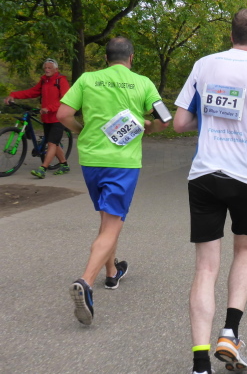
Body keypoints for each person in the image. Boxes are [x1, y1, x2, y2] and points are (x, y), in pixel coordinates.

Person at [173, 9, 247, 374]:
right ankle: (229, 333)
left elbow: (180, 122)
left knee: (205, 267)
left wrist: (210, 118)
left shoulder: (204, 65)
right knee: (245, 251)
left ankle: (199, 363)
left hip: (205, 174)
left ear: (231, 35)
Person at [57, 37, 169, 326]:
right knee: (112, 222)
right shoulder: (143, 83)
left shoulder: (88, 79)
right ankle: (86, 281)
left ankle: (112, 273)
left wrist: (81, 130)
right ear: (131, 57)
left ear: (106, 58)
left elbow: (63, 114)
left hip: (91, 160)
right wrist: (149, 127)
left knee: (108, 218)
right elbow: (165, 118)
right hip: (122, 163)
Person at [4, 58, 71, 177]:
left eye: (49, 68)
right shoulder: (44, 80)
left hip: (59, 117)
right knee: (53, 142)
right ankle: (64, 164)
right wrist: (14, 95)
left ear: (56, 69)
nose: (47, 70)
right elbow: (32, 92)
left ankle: (42, 169)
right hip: (46, 118)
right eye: (45, 68)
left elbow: (65, 100)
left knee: (51, 143)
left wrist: (49, 108)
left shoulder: (61, 81)